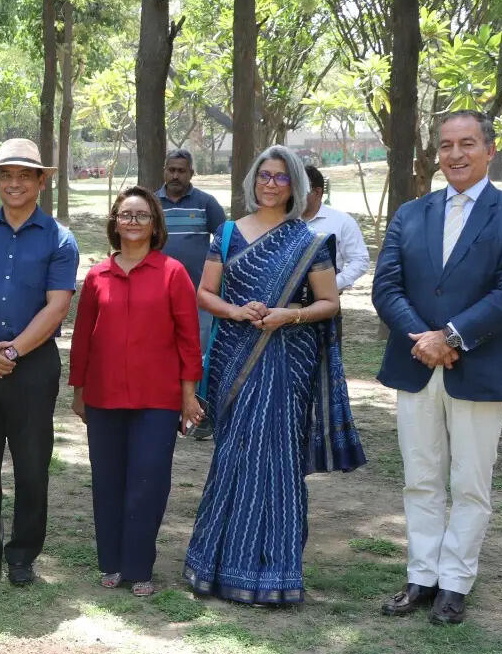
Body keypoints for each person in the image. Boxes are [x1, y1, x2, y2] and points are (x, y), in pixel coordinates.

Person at [374, 110, 502, 625]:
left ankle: (455, 582)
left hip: (479, 367)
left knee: (471, 482)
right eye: (446, 145)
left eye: (467, 143)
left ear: (490, 151)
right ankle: (422, 576)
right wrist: (424, 340)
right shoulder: (411, 213)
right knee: (420, 478)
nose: (455, 154)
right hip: (416, 365)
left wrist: (450, 337)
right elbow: (387, 285)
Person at [184, 145, 365, 606]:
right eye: (264, 175)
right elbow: (205, 293)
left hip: (287, 362)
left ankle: (274, 570)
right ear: (252, 180)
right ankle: (214, 564)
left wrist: (288, 315)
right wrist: (236, 311)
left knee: (276, 459)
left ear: (295, 186)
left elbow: (329, 304)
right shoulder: (226, 233)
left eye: (281, 178)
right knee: (233, 453)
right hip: (234, 357)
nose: (270, 184)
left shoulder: (307, 242)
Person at [0, 138, 77, 587]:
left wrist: (14, 350)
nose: (15, 183)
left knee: (31, 464)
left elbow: (57, 306)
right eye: (7, 175)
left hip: (33, 366)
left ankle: (22, 555)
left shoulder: (60, 240)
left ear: (41, 181)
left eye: (25, 175)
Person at [69, 188, 203, 597]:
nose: (132, 222)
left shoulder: (173, 273)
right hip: (103, 396)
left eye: (141, 216)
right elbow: (82, 338)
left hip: (157, 400)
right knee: (107, 480)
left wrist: (188, 395)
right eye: (125, 215)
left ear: (154, 225)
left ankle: (139, 566)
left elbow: (188, 338)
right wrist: (78, 389)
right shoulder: (96, 276)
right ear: (115, 222)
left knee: (148, 481)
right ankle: (110, 563)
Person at [157, 148, 226, 439]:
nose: (175, 175)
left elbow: (225, 244)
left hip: (198, 297)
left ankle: (199, 418)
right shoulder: (151, 203)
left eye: (181, 171)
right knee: (162, 353)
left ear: (191, 174)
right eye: (171, 169)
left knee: (197, 356)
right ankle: (164, 413)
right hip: (158, 297)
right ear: (164, 171)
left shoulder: (206, 204)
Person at [301, 167, 370, 291]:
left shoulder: (341, 221)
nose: (294, 194)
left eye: (300, 189)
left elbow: (360, 260)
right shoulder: (283, 220)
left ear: (317, 192)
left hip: (326, 303)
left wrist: (332, 285)